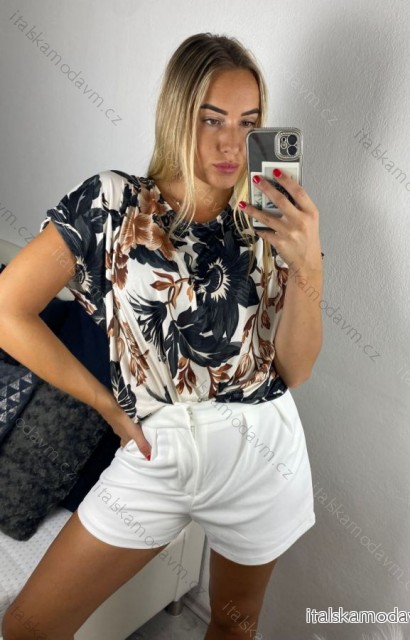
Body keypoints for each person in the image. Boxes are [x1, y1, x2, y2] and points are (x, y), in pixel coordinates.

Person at [0, 32, 324, 640]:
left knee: (233, 628)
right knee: (28, 628)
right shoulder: (113, 203)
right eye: (212, 119)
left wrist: (309, 266)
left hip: (262, 449)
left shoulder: (267, 221)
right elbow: (7, 309)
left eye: (248, 122)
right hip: (157, 446)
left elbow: (296, 370)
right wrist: (104, 403)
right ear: (177, 115)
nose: (232, 144)